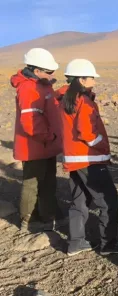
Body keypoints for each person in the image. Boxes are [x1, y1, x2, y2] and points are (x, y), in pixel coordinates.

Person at [58, 59, 118, 256]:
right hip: (89, 160)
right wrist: (101, 144)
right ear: (81, 79)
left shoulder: (64, 99)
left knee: (79, 201)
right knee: (108, 201)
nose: (94, 81)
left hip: (73, 159)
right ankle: (108, 244)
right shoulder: (83, 100)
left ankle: (75, 243)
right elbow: (86, 132)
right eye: (91, 78)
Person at [11, 48, 66, 231]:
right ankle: (29, 220)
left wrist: (59, 94)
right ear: (36, 71)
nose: (52, 74)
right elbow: (30, 121)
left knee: (48, 180)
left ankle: (49, 213)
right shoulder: (28, 88)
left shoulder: (42, 85)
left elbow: (46, 103)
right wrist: (49, 136)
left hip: (45, 145)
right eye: (49, 72)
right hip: (35, 146)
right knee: (32, 183)